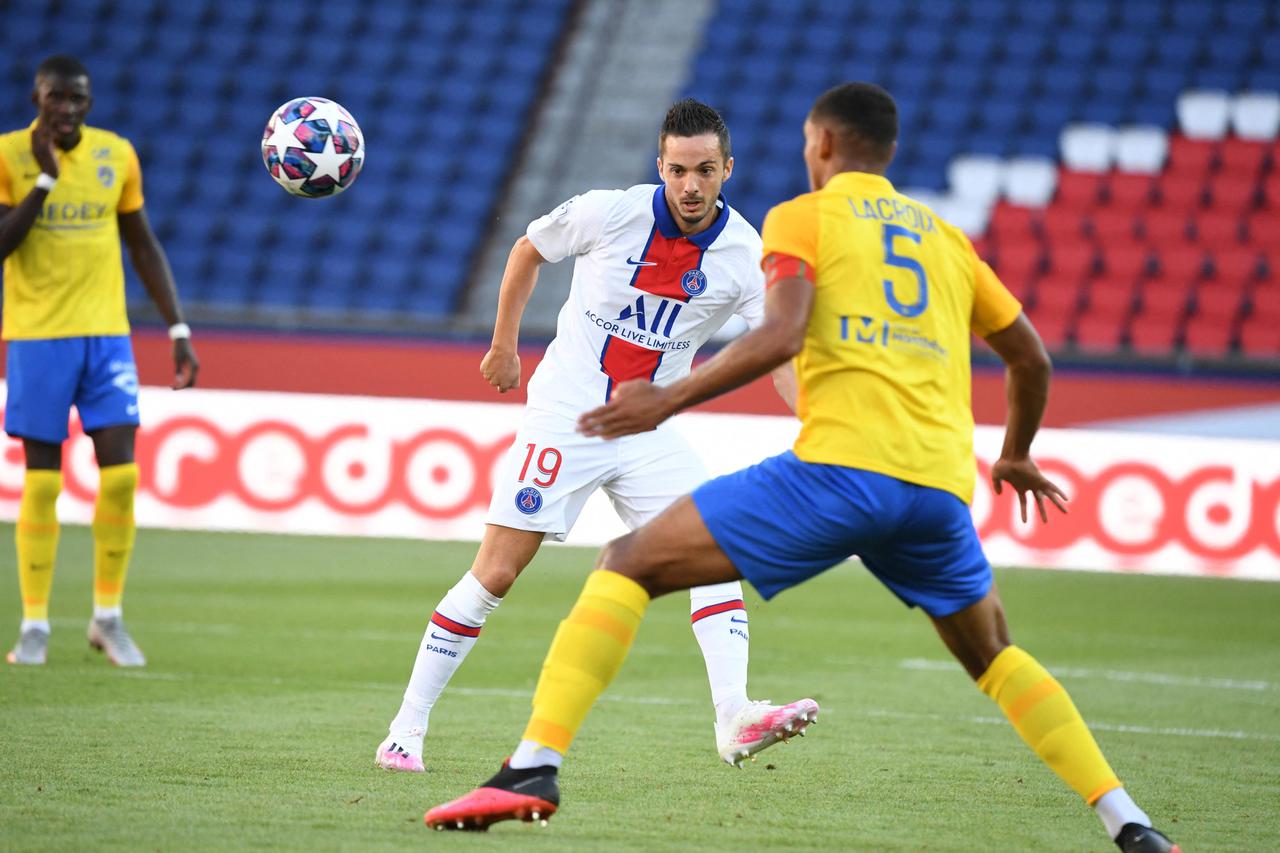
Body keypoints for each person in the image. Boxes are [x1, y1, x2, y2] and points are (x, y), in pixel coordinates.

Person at [423, 83, 1181, 853]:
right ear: (887, 151)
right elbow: (1030, 356)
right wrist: (1015, 452)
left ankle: (534, 765)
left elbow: (781, 335)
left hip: (841, 471)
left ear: (820, 144)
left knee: (628, 562)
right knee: (996, 656)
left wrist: (668, 399)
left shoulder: (797, 219)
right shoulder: (946, 238)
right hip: (939, 487)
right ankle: (1131, 822)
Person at [375, 99, 816, 774]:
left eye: (704, 169)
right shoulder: (610, 212)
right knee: (495, 572)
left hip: (648, 428)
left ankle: (735, 715)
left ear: (728, 168)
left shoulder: (742, 254)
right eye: (677, 169)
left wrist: (811, 415)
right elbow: (528, 248)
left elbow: (774, 348)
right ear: (660, 166)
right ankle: (405, 729)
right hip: (568, 415)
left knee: (717, 551)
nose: (690, 185)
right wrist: (504, 345)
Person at [2, 55, 199, 667]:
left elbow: (141, 242)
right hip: (37, 336)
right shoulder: (9, 155)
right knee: (43, 479)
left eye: (78, 99)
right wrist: (44, 179)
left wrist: (177, 327)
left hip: (106, 336)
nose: (67, 108)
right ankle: (34, 624)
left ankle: (106, 617)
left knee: (121, 475)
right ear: (37, 95)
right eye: (56, 97)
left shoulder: (118, 155)